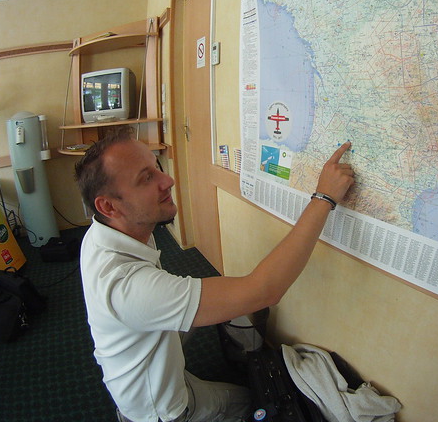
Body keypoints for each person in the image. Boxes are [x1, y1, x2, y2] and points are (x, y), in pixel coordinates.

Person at [74, 128, 355, 422]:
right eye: (146, 178)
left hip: (145, 364)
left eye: (156, 166)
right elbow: (264, 291)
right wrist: (324, 198)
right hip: (164, 411)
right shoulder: (130, 287)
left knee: (224, 304)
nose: (167, 180)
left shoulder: (106, 231)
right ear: (109, 206)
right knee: (250, 401)